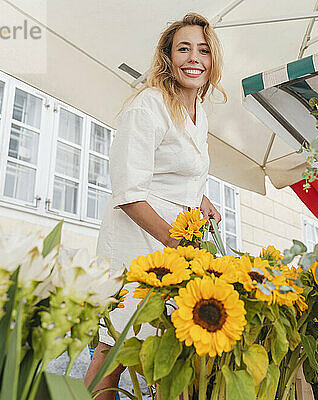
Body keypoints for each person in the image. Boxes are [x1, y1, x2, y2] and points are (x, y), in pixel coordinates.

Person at [84, 12, 227, 399]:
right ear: (168, 56)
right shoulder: (147, 106)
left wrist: (202, 198)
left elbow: (177, 170)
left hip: (172, 245)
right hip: (136, 240)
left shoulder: (198, 112)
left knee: (160, 341)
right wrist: (176, 244)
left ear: (212, 60)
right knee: (115, 343)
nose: (194, 58)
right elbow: (129, 191)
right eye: (184, 49)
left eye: (203, 50)